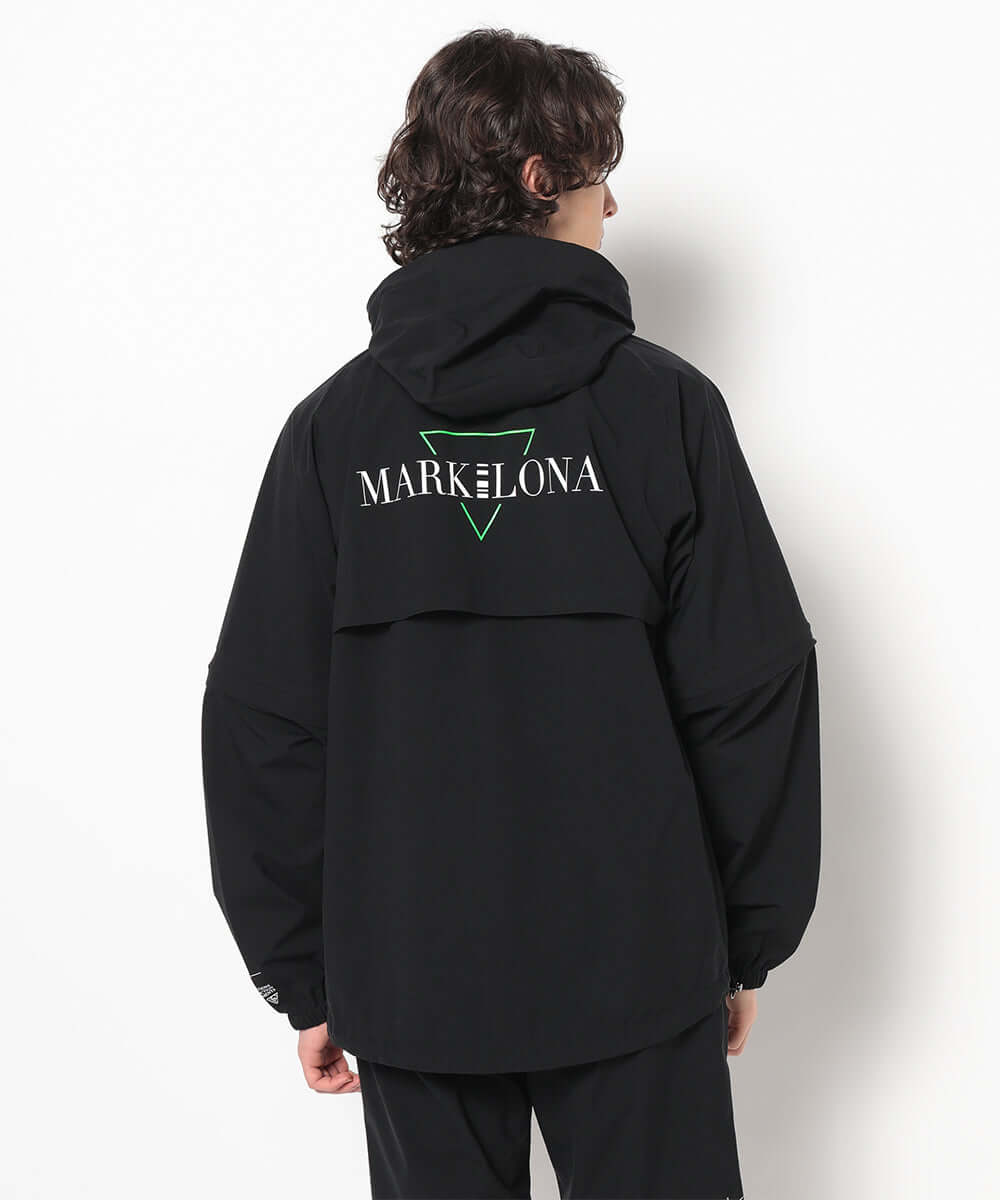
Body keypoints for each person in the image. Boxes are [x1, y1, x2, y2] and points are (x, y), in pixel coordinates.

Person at [201, 27, 820, 1200]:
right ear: (542, 177)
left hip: (409, 975)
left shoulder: (334, 430)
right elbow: (751, 691)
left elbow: (265, 718)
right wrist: (745, 940)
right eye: (598, 174)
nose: (612, 203)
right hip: (638, 965)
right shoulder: (665, 411)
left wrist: (304, 975)